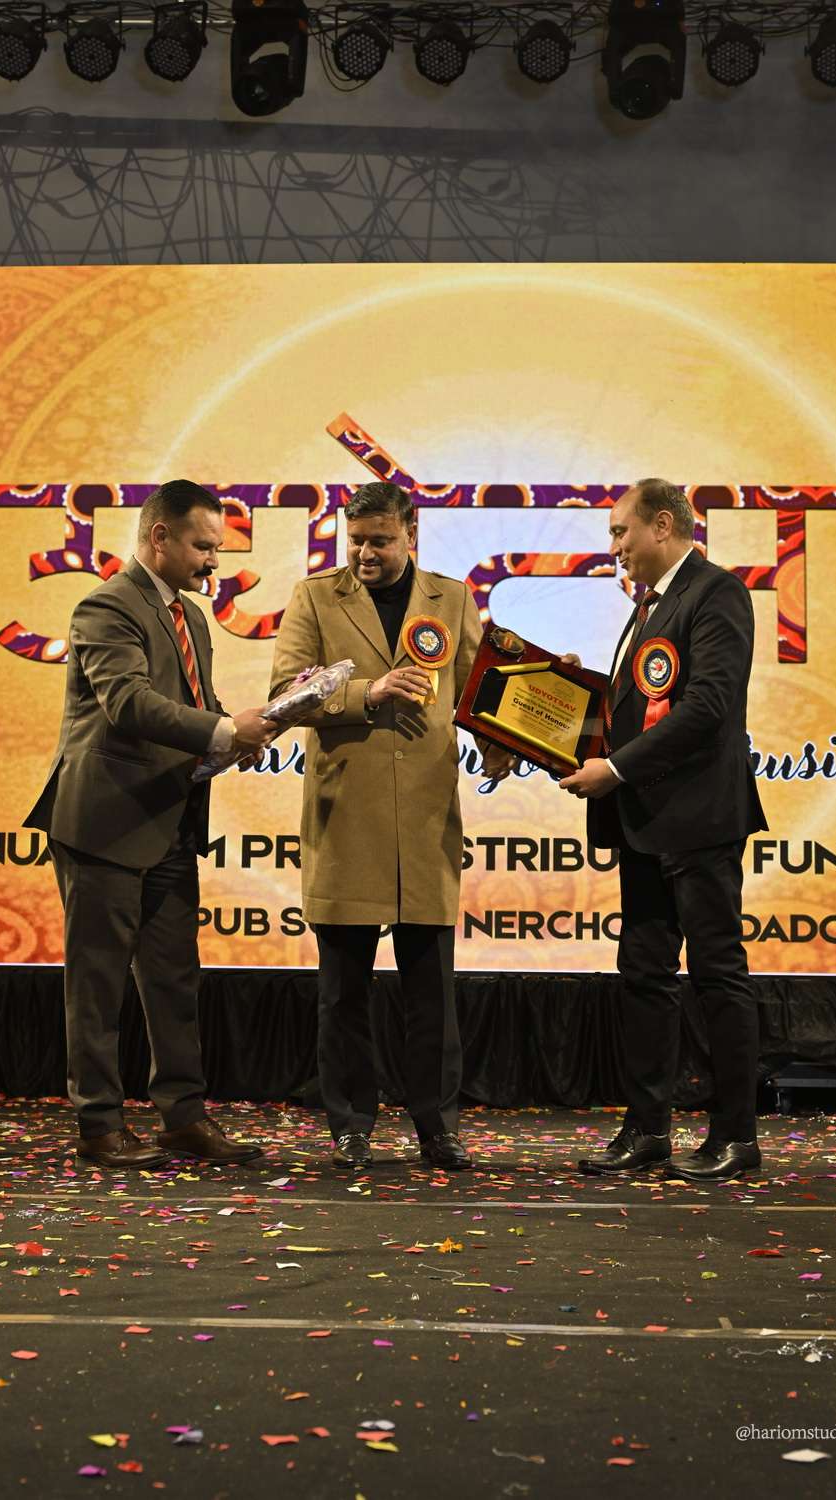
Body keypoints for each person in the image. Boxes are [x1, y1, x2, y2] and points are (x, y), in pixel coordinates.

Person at [25, 480, 279, 1169]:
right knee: (98, 985)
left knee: (174, 980)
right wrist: (224, 729)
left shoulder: (191, 616)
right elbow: (129, 704)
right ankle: (99, 1126)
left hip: (169, 822)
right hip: (104, 823)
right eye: (203, 546)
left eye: (217, 549)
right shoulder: (106, 605)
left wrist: (244, 733)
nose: (213, 562)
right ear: (159, 537)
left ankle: (184, 1119)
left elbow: (198, 704)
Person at [270, 480, 513, 1171]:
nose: (365, 554)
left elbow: (479, 691)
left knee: (431, 994)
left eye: (379, 540)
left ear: (411, 533)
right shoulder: (315, 597)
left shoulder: (452, 598)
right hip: (345, 818)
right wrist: (365, 692)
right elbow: (284, 695)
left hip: (426, 820)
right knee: (343, 992)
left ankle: (438, 1126)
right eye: (356, 541)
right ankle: (350, 1125)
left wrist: (505, 738)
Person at [559, 478, 767, 1182]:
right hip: (646, 823)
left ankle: (736, 1137)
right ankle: (647, 1130)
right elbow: (639, 705)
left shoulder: (716, 592)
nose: (613, 547)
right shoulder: (650, 605)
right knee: (644, 976)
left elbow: (708, 706)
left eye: (621, 532)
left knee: (717, 974)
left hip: (699, 820)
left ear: (664, 525)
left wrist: (615, 769)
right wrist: (567, 700)